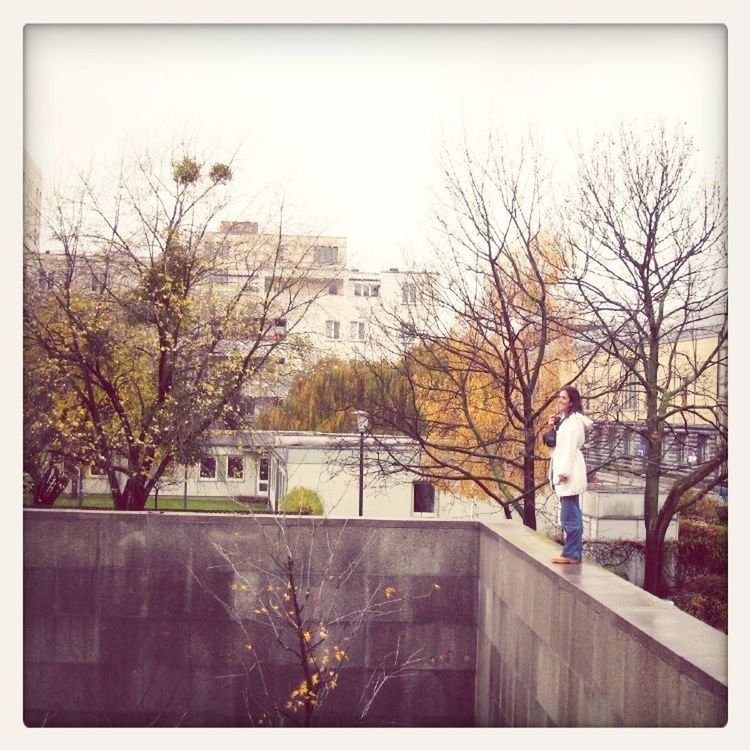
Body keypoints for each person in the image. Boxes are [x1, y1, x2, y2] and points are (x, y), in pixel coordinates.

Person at [546, 386, 593, 565]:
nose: (560, 401)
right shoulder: (568, 421)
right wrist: (555, 427)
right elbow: (561, 443)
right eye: (560, 397)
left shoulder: (573, 423)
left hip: (569, 471)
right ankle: (573, 552)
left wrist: (564, 473)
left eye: (564, 398)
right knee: (571, 512)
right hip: (568, 469)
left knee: (569, 515)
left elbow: (569, 448)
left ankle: (572, 553)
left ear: (572, 401)